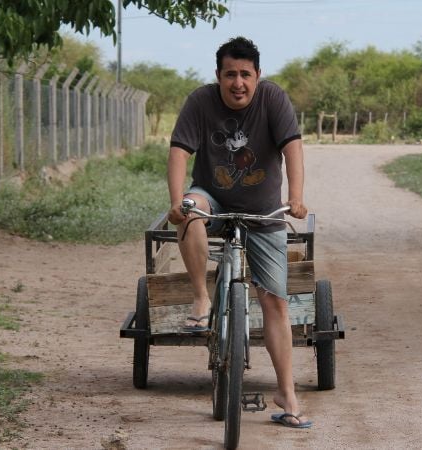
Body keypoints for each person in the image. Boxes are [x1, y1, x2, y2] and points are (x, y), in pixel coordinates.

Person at [167, 36, 311, 429]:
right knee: (191, 210)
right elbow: (179, 151)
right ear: (218, 75)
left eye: (246, 74)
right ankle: (201, 299)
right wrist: (177, 202)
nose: (238, 83)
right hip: (213, 198)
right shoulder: (200, 101)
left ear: (258, 75)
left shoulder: (273, 99)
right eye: (230, 74)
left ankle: (287, 392)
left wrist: (296, 197)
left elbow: (293, 148)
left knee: (275, 303)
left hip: (264, 212)